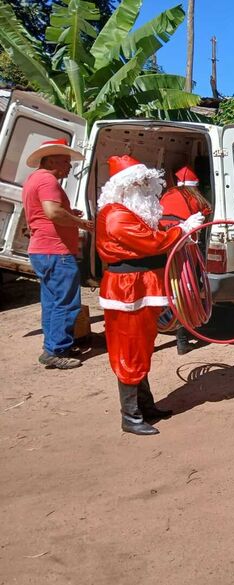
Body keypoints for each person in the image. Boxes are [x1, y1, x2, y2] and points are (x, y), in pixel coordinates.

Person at [97, 155, 205, 435]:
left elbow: (152, 233)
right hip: (128, 289)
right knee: (129, 349)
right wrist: (182, 229)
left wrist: (179, 228)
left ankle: (144, 406)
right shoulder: (117, 216)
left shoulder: (130, 213)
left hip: (141, 285)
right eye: (141, 183)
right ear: (125, 186)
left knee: (141, 347)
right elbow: (151, 242)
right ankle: (130, 415)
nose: (147, 188)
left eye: (148, 182)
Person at [22, 138, 93, 369]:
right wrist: (80, 222)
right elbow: (52, 212)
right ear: (51, 160)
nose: (70, 167)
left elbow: (42, 212)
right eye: (66, 161)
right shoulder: (48, 180)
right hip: (56, 251)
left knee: (52, 301)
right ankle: (56, 350)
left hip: (42, 250)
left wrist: (69, 213)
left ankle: (53, 344)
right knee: (65, 302)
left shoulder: (34, 179)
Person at [159, 166, 213, 355]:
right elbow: (207, 211)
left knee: (168, 292)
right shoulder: (195, 198)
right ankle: (182, 341)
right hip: (185, 250)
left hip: (164, 249)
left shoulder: (166, 196)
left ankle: (157, 331)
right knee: (184, 294)